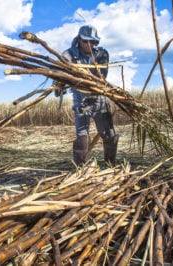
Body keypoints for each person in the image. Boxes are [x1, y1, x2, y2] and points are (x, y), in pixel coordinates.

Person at [55, 25, 119, 166]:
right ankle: (81, 169)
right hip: (80, 100)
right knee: (82, 136)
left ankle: (111, 165)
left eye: (93, 42)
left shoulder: (102, 54)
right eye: (86, 41)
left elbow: (100, 77)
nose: (89, 45)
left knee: (109, 135)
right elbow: (61, 72)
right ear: (79, 39)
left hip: (99, 99)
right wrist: (59, 82)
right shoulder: (68, 55)